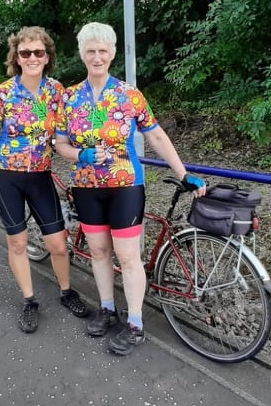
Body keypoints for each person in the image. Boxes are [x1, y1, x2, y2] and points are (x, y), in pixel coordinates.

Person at [55, 22, 206, 355]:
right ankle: (108, 309)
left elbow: (155, 135)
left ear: (112, 54)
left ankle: (135, 323)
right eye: (91, 50)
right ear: (82, 54)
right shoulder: (69, 97)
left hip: (125, 185)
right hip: (86, 186)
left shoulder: (129, 94)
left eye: (103, 50)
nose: (97, 56)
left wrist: (184, 173)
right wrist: (81, 154)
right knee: (98, 251)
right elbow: (61, 145)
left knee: (127, 256)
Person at [0, 26, 88, 334]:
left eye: (38, 52)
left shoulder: (56, 91)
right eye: (25, 53)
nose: (32, 58)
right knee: (18, 241)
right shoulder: (2, 93)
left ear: (47, 56)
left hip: (40, 174)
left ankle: (67, 292)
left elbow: (70, 129)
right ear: (17, 57)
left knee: (58, 243)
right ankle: (30, 301)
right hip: (6, 176)